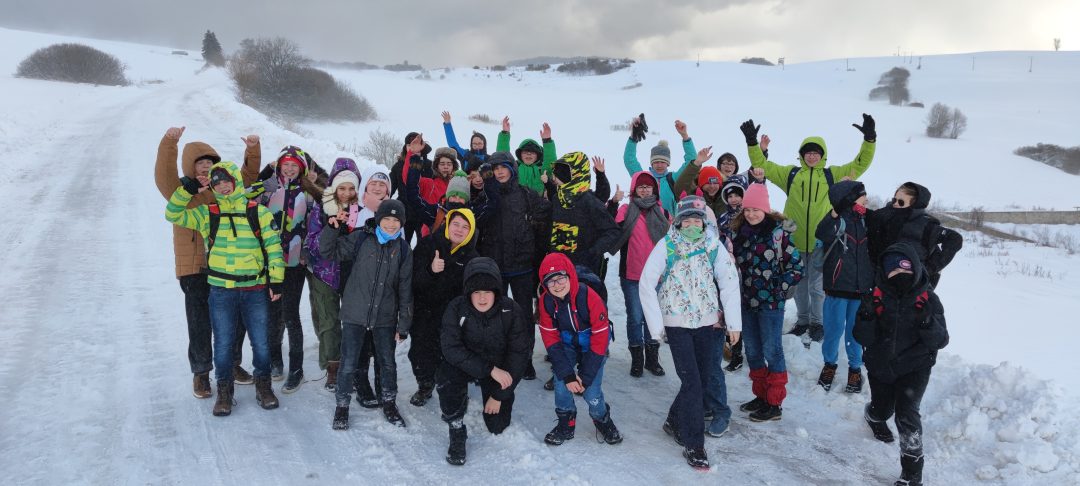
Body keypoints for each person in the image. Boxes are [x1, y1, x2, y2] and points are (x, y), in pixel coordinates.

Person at [740, 114, 876, 344]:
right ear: (802, 155)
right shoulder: (791, 174)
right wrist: (752, 143)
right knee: (800, 284)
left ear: (823, 155)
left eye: (816, 153)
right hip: (793, 240)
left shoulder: (832, 175)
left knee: (818, 286)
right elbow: (762, 165)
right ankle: (803, 321)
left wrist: (869, 140)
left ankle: (817, 323)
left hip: (822, 241)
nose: (812, 156)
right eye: (808, 152)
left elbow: (859, 164)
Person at [165, 160, 285, 416]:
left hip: (254, 289)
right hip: (221, 291)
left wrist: (275, 280)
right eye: (216, 183)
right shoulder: (208, 213)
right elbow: (172, 214)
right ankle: (224, 391)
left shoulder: (258, 212)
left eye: (226, 181)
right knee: (223, 344)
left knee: (261, 342)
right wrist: (188, 190)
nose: (222, 186)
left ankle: (263, 386)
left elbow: (274, 248)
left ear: (235, 181)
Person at [155, 126, 262, 397]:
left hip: (225, 266)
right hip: (193, 268)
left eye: (209, 163)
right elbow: (163, 175)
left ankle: (232, 364)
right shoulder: (180, 190)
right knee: (200, 322)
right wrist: (169, 143)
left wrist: (252, 151)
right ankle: (201, 373)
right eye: (200, 163)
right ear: (189, 167)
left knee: (233, 319)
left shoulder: (219, 188)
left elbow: (246, 178)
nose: (205, 167)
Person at [639, 197, 743, 469]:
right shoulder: (667, 245)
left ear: (704, 222)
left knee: (702, 379)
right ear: (678, 221)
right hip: (677, 324)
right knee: (693, 383)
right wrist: (656, 326)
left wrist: (734, 323)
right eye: (688, 220)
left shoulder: (713, 245)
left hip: (707, 323)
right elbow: (646, 283)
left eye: (698, 220)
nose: (693, 225)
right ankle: (695, 445)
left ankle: (674, 419)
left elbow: (729, 282)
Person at [854, 244, 949, 486]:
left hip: (915, 366)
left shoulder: (928, 299)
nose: (900, 276)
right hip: (881, 365)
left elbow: (941, 340)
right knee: (883, 410)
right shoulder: (875, 296)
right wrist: (866, 318)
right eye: (893, 272)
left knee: (907, 414)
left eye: (905, 270)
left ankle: (912, 474)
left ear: (915, 268)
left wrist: (927, 323)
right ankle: (874, 416)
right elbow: (863, 338)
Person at [323, 199, 413, 429]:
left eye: (396, 220)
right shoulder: (361, 238)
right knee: (348, 362)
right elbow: (328, 251)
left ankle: (389, 402)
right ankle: (342, 406)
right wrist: (332, 229)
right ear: (378, 219)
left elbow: (405, 288)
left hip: (385, 317)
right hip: (355, 313)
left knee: (387, 363)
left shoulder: (403, 249)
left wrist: (403, 324)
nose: (391, 224)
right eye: (387, 219)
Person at [437, 257, 533, 465]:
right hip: (468, 364)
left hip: (498, 366)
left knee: (497, 426)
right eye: (477, 292)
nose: (482, 298)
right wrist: (489, 370)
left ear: (496, 292)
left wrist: (498, 395)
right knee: (446, 376)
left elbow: (519, 354)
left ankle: (493, 396)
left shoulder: (511, 310)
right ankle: (456, 428)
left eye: (487, 292)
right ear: (468, 292)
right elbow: (451, 349)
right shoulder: (456, 308)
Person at [731, 184, 803, 423]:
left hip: (771, 304)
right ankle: (761, 395)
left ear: (765, 210)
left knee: (772, 349)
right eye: (748, 209)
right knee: (752, 350)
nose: (751, 214)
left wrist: (778, 288)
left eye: (756, 209)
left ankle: (774, 402)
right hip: (746, 302)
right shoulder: (739, 234)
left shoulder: (778, 234)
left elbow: (796, 268)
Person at [477, 151, 552, 381]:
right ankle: (495, 360)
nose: (499, 172)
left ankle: (524, 360)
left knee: (523, 317)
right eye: (495, 169)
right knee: (493, 315)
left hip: (522, 267)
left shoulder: (527, 195)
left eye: (503, 167)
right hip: (495, 268)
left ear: (512, 169)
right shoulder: (485, 196)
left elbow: (547, 217)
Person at [252, 145, 321, 391]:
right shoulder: (268, 188)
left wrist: (305, 251)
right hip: (270, 260)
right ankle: (275, 360)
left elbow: (315, 224)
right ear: (279, 166)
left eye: (294, 165)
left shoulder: (309, 192)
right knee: (272, 313)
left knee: (290, 314)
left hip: (294, 262)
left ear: (301, 168)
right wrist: (265, 174)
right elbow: (245, 197)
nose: (290, 169)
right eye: (285, 164)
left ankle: (296, 369)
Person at [537, 253, 623, 447]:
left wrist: (586, 376)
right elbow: (551, 340)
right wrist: (568, 375)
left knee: (591, 392)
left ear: (570, 276)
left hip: (593, 345)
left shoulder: (589, 297)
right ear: (544, 284)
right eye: (551, 281)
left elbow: (600, 338)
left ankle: (601, 418)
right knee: (561, 384)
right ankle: (566, 421)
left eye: (561, 278)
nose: (557, 285)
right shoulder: (546, 301)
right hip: (566, 344)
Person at [408, 209, 479, 407]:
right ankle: (425, 384)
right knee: (420, 353)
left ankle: (455, 389)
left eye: (465, 227)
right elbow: (411, 280)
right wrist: (430, 270)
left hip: (453, 318)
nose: (459, 230)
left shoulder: (472, 257)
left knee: (452, 355)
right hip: (424, 313)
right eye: (456, 224)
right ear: (447, 224)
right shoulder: (428, 244)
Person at [304, 157, 361, 391]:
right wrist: (332, 226)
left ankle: (353, 364)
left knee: (353, 321)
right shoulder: (322, 208)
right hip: (324, 272)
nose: (346, 193)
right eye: (342, 188)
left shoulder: (362, 210)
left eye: (351, 188)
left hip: (353, 273)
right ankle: (333, 366)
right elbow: (311, 242)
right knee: (328, 320)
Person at [815, 181, 874, 393]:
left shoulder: (868, 220)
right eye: (862, 195)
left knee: (856, 333)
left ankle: (855, 369)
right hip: (837, 288)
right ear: (850, 199)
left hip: (862, 290)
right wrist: (835, 211)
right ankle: (829, 365)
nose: (866, 199)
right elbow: (821, 232)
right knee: (833, 330)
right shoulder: (837, 220)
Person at [612, 171, 672, 377]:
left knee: (652, 317)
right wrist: (613, 202)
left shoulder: (663, 212)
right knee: (636, 317)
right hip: (631, 275)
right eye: (641, 187)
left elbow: (672, 242)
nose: (645, 190)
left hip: (656, 276)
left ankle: (652, 359)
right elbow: (612, 227)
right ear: (634, 189)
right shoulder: (626, 209)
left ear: (654, 189)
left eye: (648, 186)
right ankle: (637, 359)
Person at [547, 152, 621, 301]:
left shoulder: (588, 201)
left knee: (587, 306)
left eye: (560, 173)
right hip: (560, 269)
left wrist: (592, 252)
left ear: (574, 175)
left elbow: (612, 231)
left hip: (586, 271)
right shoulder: (557, 199)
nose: (554, 177)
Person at [867, 182, 963, 288]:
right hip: (878, 282)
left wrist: (929, 268)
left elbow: (955, 239)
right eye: (894, 200)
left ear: (915, 204)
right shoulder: (884, 215)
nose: (895, 204)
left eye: (901, 202)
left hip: (911, 287)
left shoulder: (926, 225)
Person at [623, 117, 696, 212]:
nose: (659, 165)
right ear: (651, 163)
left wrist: (685, 136)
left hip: (669, 220)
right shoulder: (643, 178)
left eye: (663, 162)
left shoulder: (673, 179)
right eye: (656, 162)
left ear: (668, 163)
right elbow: (629, 160)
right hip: (645, 220)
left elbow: (691, 162)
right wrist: (633, 139)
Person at [494, 116, 556, 194]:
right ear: (520, 155)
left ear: (538, 156)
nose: (529, 154)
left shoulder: (542, 171)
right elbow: (502, 156)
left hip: (537, 201)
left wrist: (547, 141)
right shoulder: (514, 168)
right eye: (525, 152)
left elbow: (550, 161)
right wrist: (505, 134)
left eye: (532, 152)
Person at [390, 132, 432, 243]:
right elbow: (390, 188)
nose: (413, 147)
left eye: (416, 144)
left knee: (424, 244)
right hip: (404, 211)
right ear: (405, 147)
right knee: (402, 243)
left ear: (422, 146)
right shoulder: (398, 166)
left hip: (422, 211)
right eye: (409, 145)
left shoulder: (429, 165)